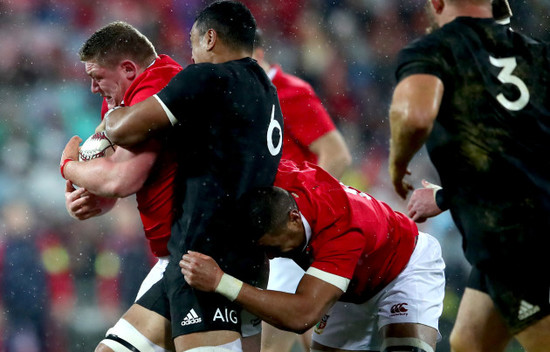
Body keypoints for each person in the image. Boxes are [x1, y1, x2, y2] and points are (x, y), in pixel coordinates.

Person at [63, 2, 283, 351]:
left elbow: (125, 153)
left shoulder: (205, 79)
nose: (190, 56)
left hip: (203, 257)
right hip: (243, 253)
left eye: (194, 41)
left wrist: (71, 163)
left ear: (211, 38)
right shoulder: (267, 94)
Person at [387, 0, 550, 351]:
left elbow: (415, 116)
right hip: (517, 229)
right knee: (470, 341)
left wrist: (398, 164)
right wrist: (446, 197)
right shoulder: (536, 54)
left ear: (437, 3)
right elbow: (516, 157)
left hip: (518, 240)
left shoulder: (434, 51)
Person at [180, 160, 446, 352]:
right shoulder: (276, 180)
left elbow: (302, 316)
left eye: (275, 248)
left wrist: (220, 282)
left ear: (295, 219)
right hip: (347, 284)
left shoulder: (340, 230)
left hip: (404, 267)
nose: (270, 258)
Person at [60, 21, 182, 352]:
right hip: (178, 253)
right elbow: (114, 182)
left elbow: (124, 178)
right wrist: (92, 201)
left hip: (199, 251)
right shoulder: (121, 98)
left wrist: (68, 167)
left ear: (128, 69)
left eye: (96, 77)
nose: (93, 88)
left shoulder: (156, 89)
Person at [252, 29, 352, 352]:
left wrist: (304, 209)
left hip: (290, 233)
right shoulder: (243, 98)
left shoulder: (287, 91)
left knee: (274, 345)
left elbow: (337, 153)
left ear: (257, 53)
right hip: (268, 237)